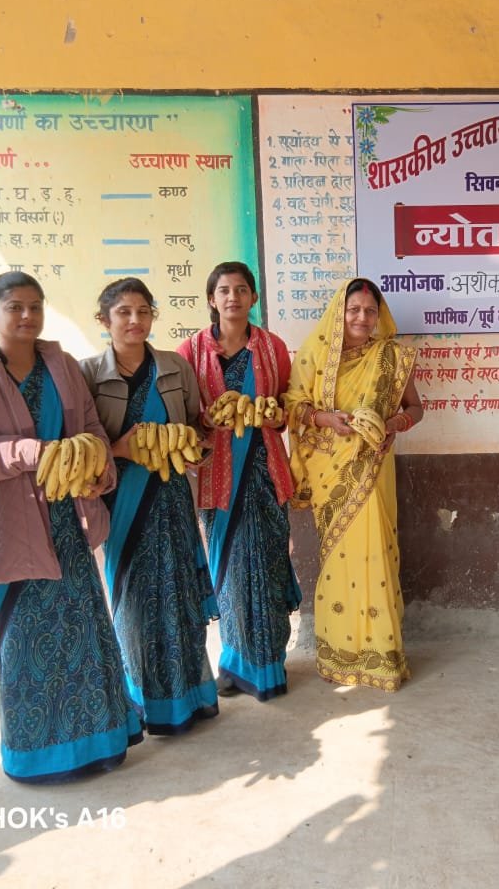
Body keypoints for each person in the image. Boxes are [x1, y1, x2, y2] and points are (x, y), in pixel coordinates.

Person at [0, 272, 141, 782]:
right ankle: (37, 757)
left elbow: (90, 430)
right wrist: (31, 452)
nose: (27, 316)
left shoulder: (60, 365)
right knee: (25, 645)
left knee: (82, 631)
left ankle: (98, 743)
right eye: (15, 307)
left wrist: (97, 461)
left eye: (36, 306)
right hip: (12, 529)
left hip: (68, 523)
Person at [80, 278, 219, 734]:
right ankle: (143, 704)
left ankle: (190, 698)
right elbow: (84, 443)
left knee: (178, 594)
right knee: (134, 602)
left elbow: (199, 428)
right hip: (123, 501)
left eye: (143, 311)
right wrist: (121, 448)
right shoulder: (87, 374)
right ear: (104, 320)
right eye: (123, 312)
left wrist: (191, 444)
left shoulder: (175, 367)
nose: (135, 320)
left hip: (172, 496)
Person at [286, 278, 424, 691]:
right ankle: (340, 654)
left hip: (374, 467)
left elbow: (416, 407)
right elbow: (292, 407)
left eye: (369, 310)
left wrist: (392, 424)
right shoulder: (314, 355)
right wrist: (328, 420)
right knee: (339, 563)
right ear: (340, 313)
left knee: (376, 557)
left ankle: (382, 657)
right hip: (332, 474)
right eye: (354, 310)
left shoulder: (392, 357)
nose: (362, 318)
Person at [176, 262, 301, 700]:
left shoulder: (272, 347)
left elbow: (289, 404)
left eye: (242, 289)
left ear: (254, 299)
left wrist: (273, 412)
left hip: (265, 472)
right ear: (212, 299)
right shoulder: (189, 352)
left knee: (265, 567)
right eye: (224, 290)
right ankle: (232, 662)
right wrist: (204, 420)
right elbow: (182, 417)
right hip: (218, 477)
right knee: (228, 570)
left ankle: (268, 665)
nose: (233, 297)